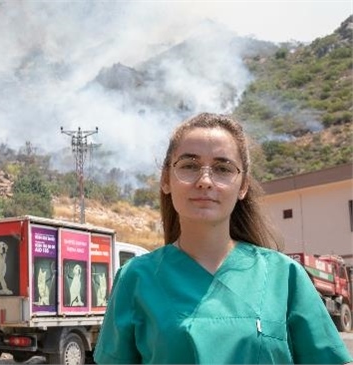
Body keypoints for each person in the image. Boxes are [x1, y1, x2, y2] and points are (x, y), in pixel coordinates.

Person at [94, 112, 352, 364]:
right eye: (189, 166)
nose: (205, 181)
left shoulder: (284, 277)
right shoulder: (136, 278)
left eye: (222, 168)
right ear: (166, 180)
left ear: (243, 186)